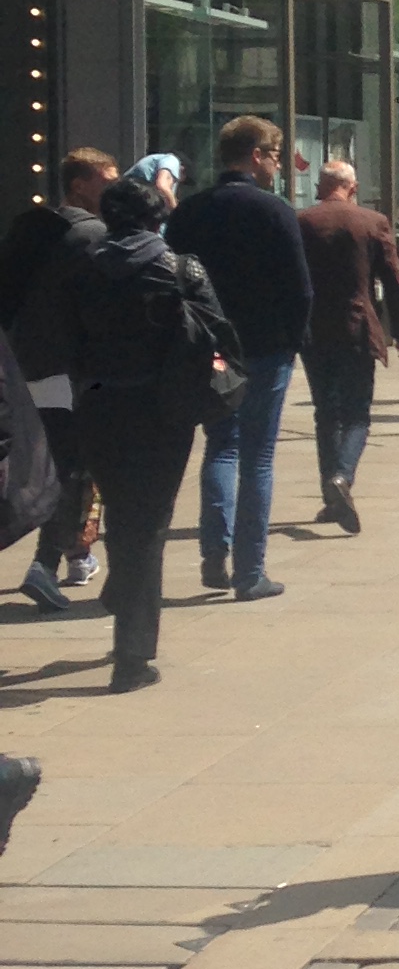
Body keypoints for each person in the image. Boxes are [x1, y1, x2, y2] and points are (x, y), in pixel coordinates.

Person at [70, 173, 237, 689]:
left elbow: (65, 335)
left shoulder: (84, 269)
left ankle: (123, 590)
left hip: (98, 404)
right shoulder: (180, 268)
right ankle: (133, 655)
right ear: (156, 218)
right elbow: (218, 330)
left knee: (122, 508)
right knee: (148, 523)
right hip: (163, 408)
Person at [167, 115, 309, 602]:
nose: (277, 165)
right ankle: (250, 571)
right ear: (256, 155)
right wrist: (294, 339)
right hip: (266, 346)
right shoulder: (274, 211)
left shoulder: (189, 212)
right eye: (274, 155)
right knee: (258, 456)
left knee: (221, 446)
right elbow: (299, 286)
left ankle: (214, 552)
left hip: (211, 349)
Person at [0, 147, 116, 612]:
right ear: (80, 185)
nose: (115, 185)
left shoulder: (28, 229)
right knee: (70, 465)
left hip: (20, 363)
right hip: (68, 369)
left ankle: (74, 556)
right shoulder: (92, 236)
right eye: (107, 178)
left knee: (41, 461)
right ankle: (47, 562)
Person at [296, 160, 399, 532]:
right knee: (357, 412)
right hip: (358, 327)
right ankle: (342, 477)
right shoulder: (372, 222)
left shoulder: (302, 222)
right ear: (353, 187)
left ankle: (331, 495)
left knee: (325, 412)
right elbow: (394, 281)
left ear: (321, 185)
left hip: (314, 330)